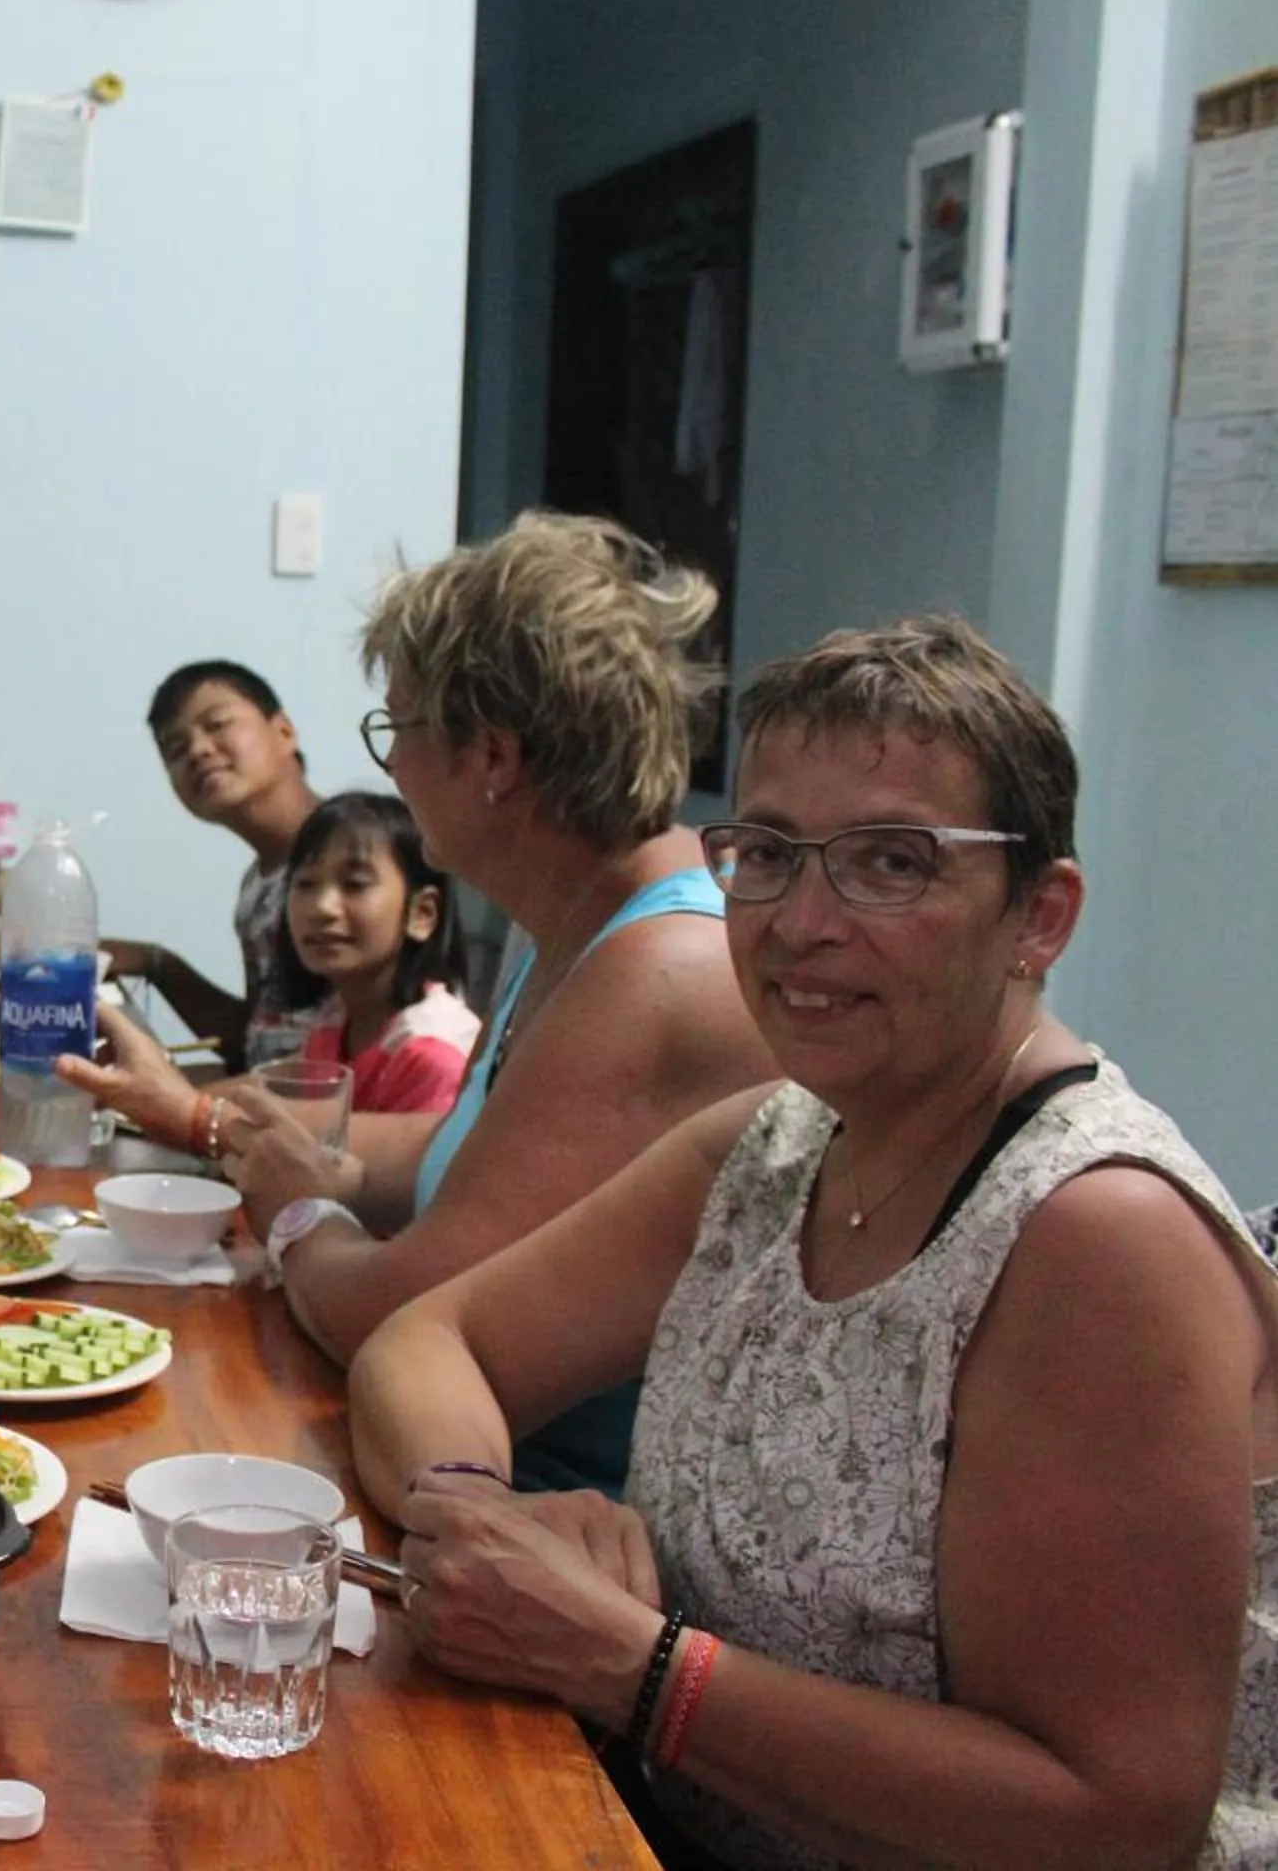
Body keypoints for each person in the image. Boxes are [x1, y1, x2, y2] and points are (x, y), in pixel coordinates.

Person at [347, 615, 1278, 1869]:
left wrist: (639, 1668)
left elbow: (1112, 1813)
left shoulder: (1095, 1232)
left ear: (1040, 916)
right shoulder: (778, 1143)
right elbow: (430, 1335)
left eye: (891, 862)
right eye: (770, 852)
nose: (800, 921)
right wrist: (476, 1510)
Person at [67, 513, 770, 1495]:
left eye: (397, 729)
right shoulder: (582, 914)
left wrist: (298, 1210)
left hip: (553, 1520)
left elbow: (395, 1309)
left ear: (492, 758)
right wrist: (203, 1112)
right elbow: (462, 1150)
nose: (390, 767)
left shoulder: (660, 968)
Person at [101, 659, 322, 1066]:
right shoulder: (256, 887)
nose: (198, 750)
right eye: (175, 749)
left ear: (285, 732)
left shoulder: (354, 856)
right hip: (272, 1101)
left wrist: (192, 1105)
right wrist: (156, 963)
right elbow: (256, 1042)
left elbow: (370, 1056)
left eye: (217, 724)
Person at [272, 791, 479, 1117]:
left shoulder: (432, 1053)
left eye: (355, 884)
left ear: (421, 914)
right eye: (306, 884)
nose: (322, 908)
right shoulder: (334, 1022)